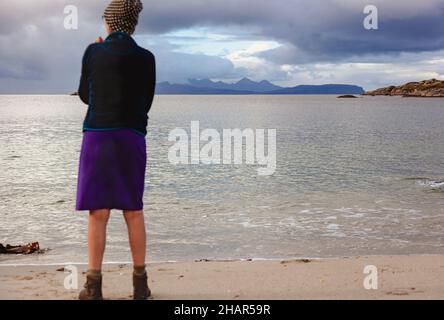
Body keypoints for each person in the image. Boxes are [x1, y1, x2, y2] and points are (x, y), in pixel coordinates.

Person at [75, 0, 156, 300]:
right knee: (133, 211)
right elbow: (146, 101)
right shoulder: (147, 58)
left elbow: (86, 95)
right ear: (132, 24)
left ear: (109, 23)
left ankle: (93, 286)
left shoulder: (93, 51)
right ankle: (140, 285)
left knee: (99, 213)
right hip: (132, 136)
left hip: (98, 135)